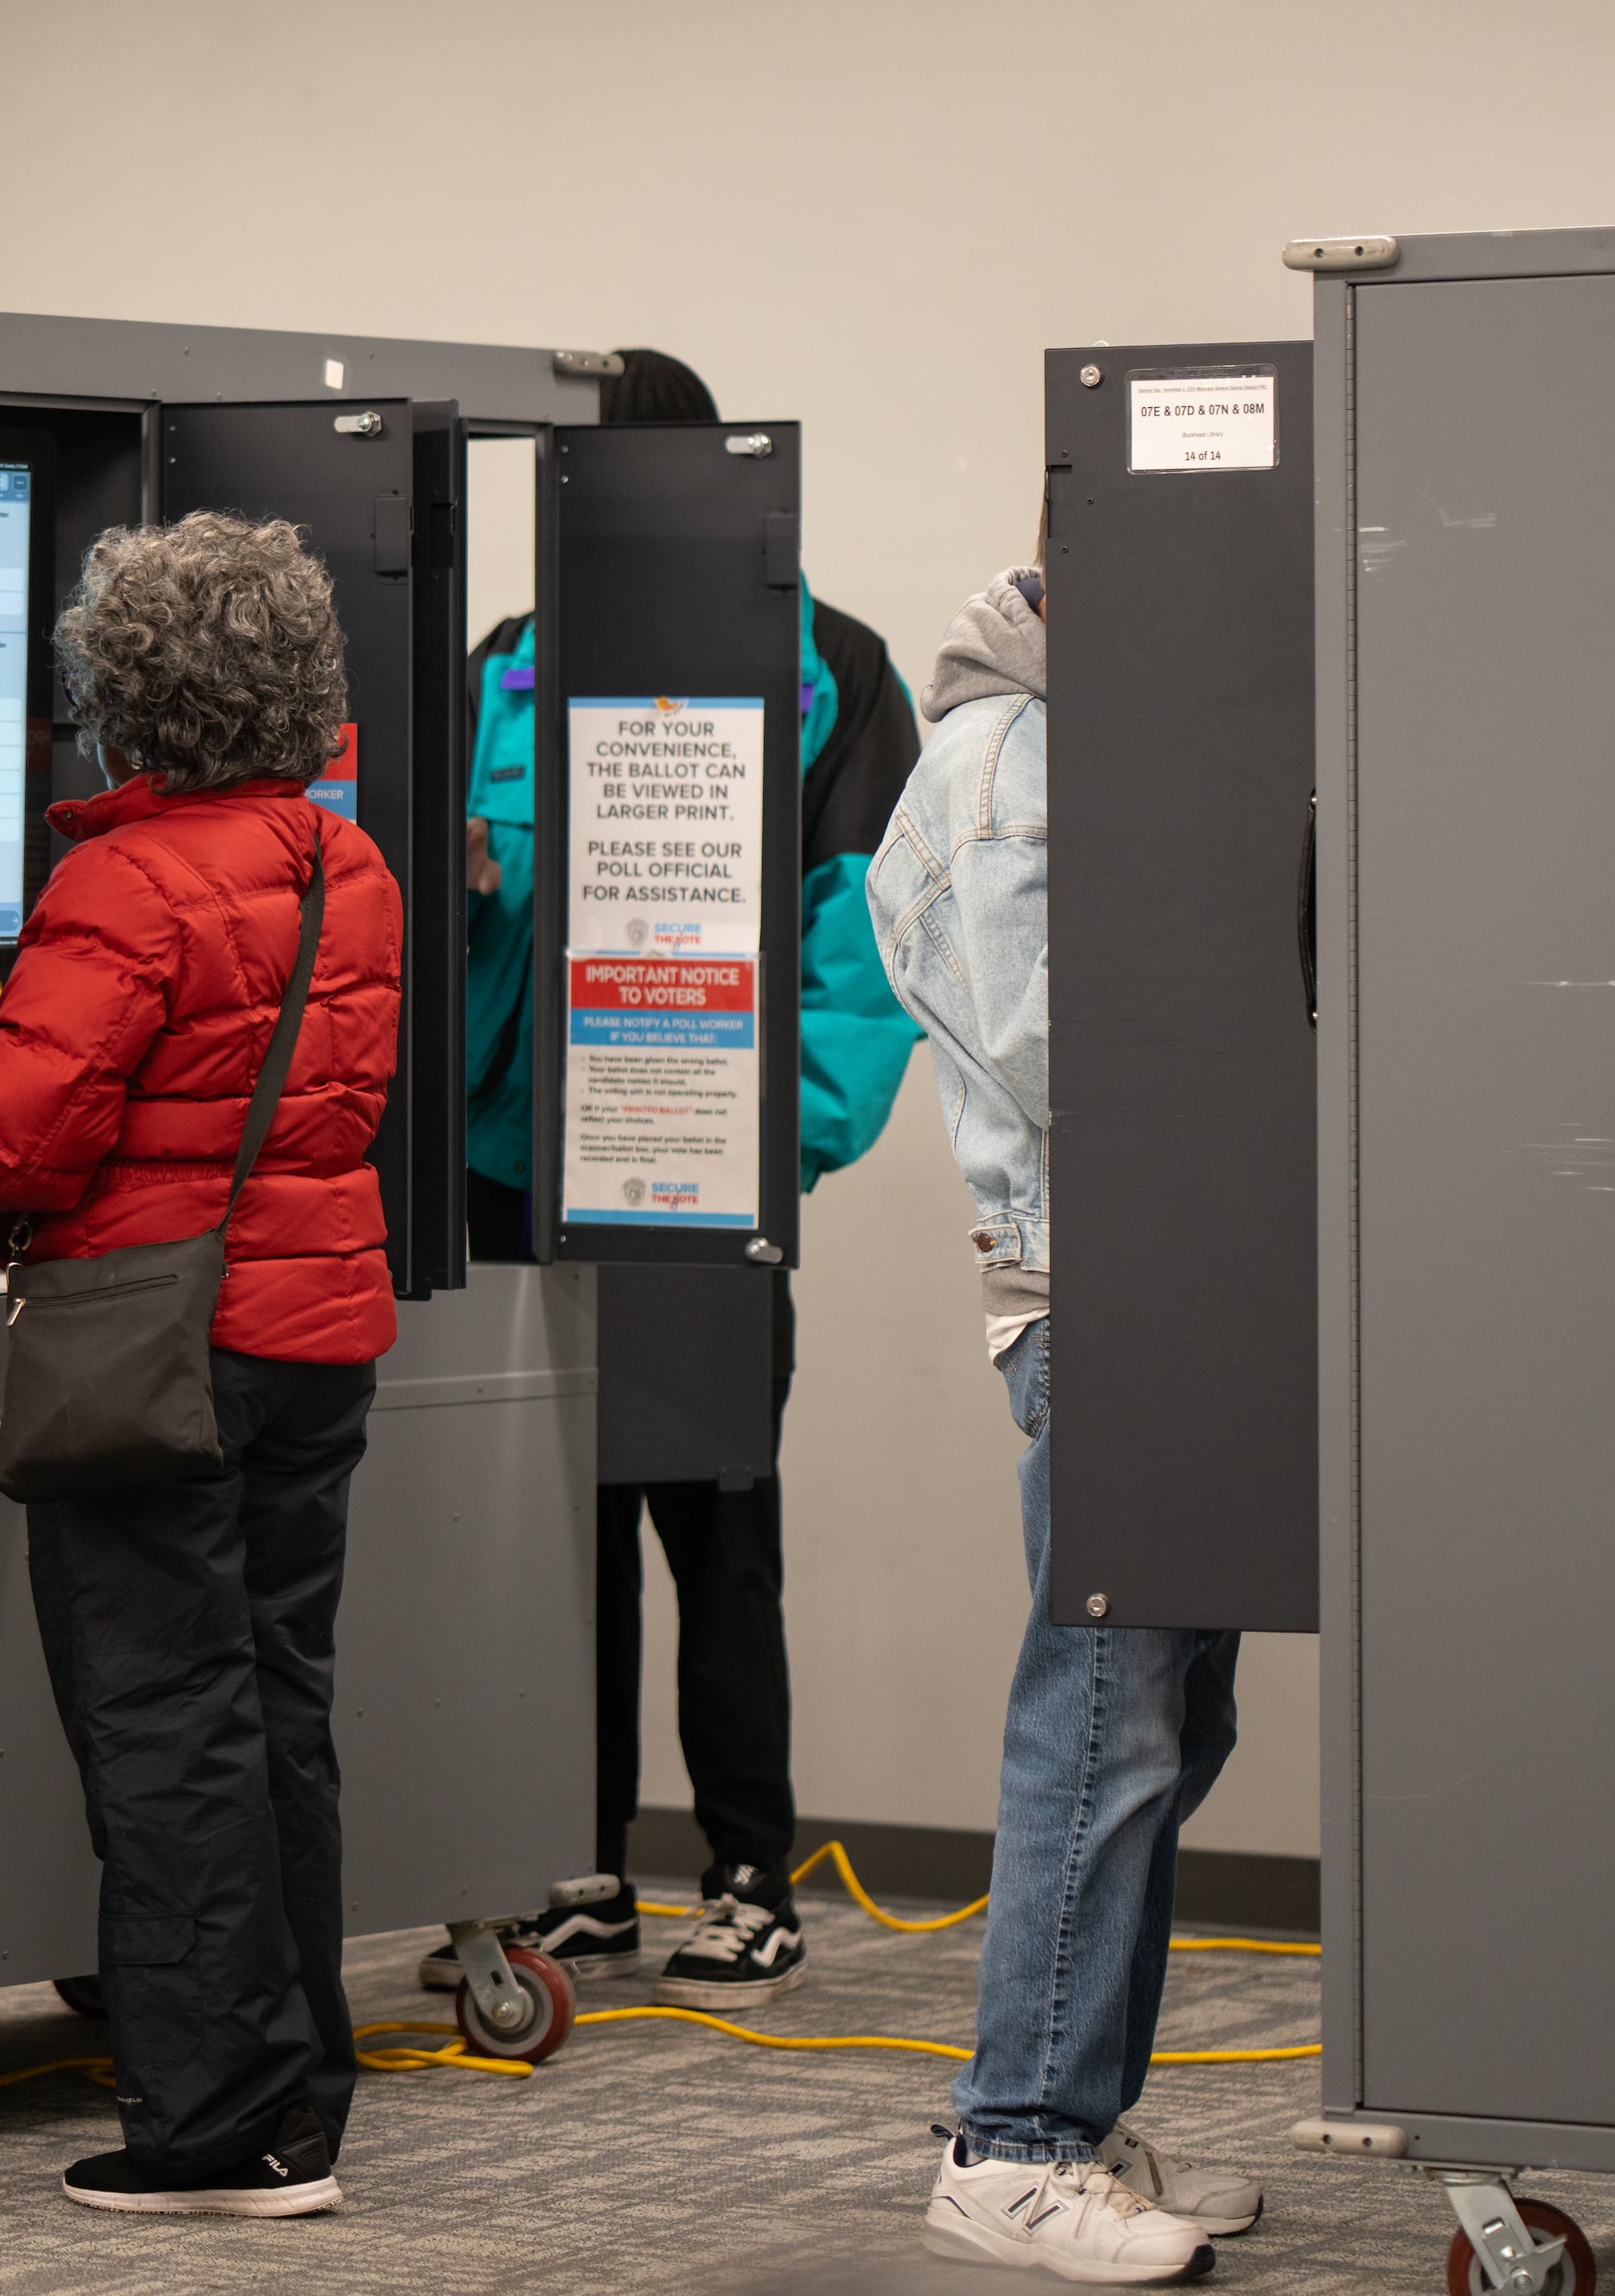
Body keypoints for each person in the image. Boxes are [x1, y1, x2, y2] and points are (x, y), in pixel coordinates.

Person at [432, 347, 923, 2011]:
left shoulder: (830, 670)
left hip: (702, 1171)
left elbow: (862, 949)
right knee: (549, 1533)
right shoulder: (503, 661)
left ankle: (744, 1874)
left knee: (715, 1524)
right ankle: (574, 1866)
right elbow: (449, 918)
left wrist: (772, 1147)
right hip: (512, 1175)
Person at [0, 511, 404, 2218]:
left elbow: (23, 1142)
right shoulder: (342, 865)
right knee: (275, 1710)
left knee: (163, 1727)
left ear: (123, 696)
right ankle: (300, 2088)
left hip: (160, 1353)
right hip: (317, 1338)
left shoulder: (124, 883)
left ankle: (213, 2125)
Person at [868, 559, 1255, 2282]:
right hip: (1112, 1294)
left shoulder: (1075, 732)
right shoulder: (1014, 755)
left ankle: (1074, 2122)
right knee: (1103, 1725)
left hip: (1172, 1292)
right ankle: (1010, 2142)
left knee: (1166, 1724)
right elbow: (1068, 1052)